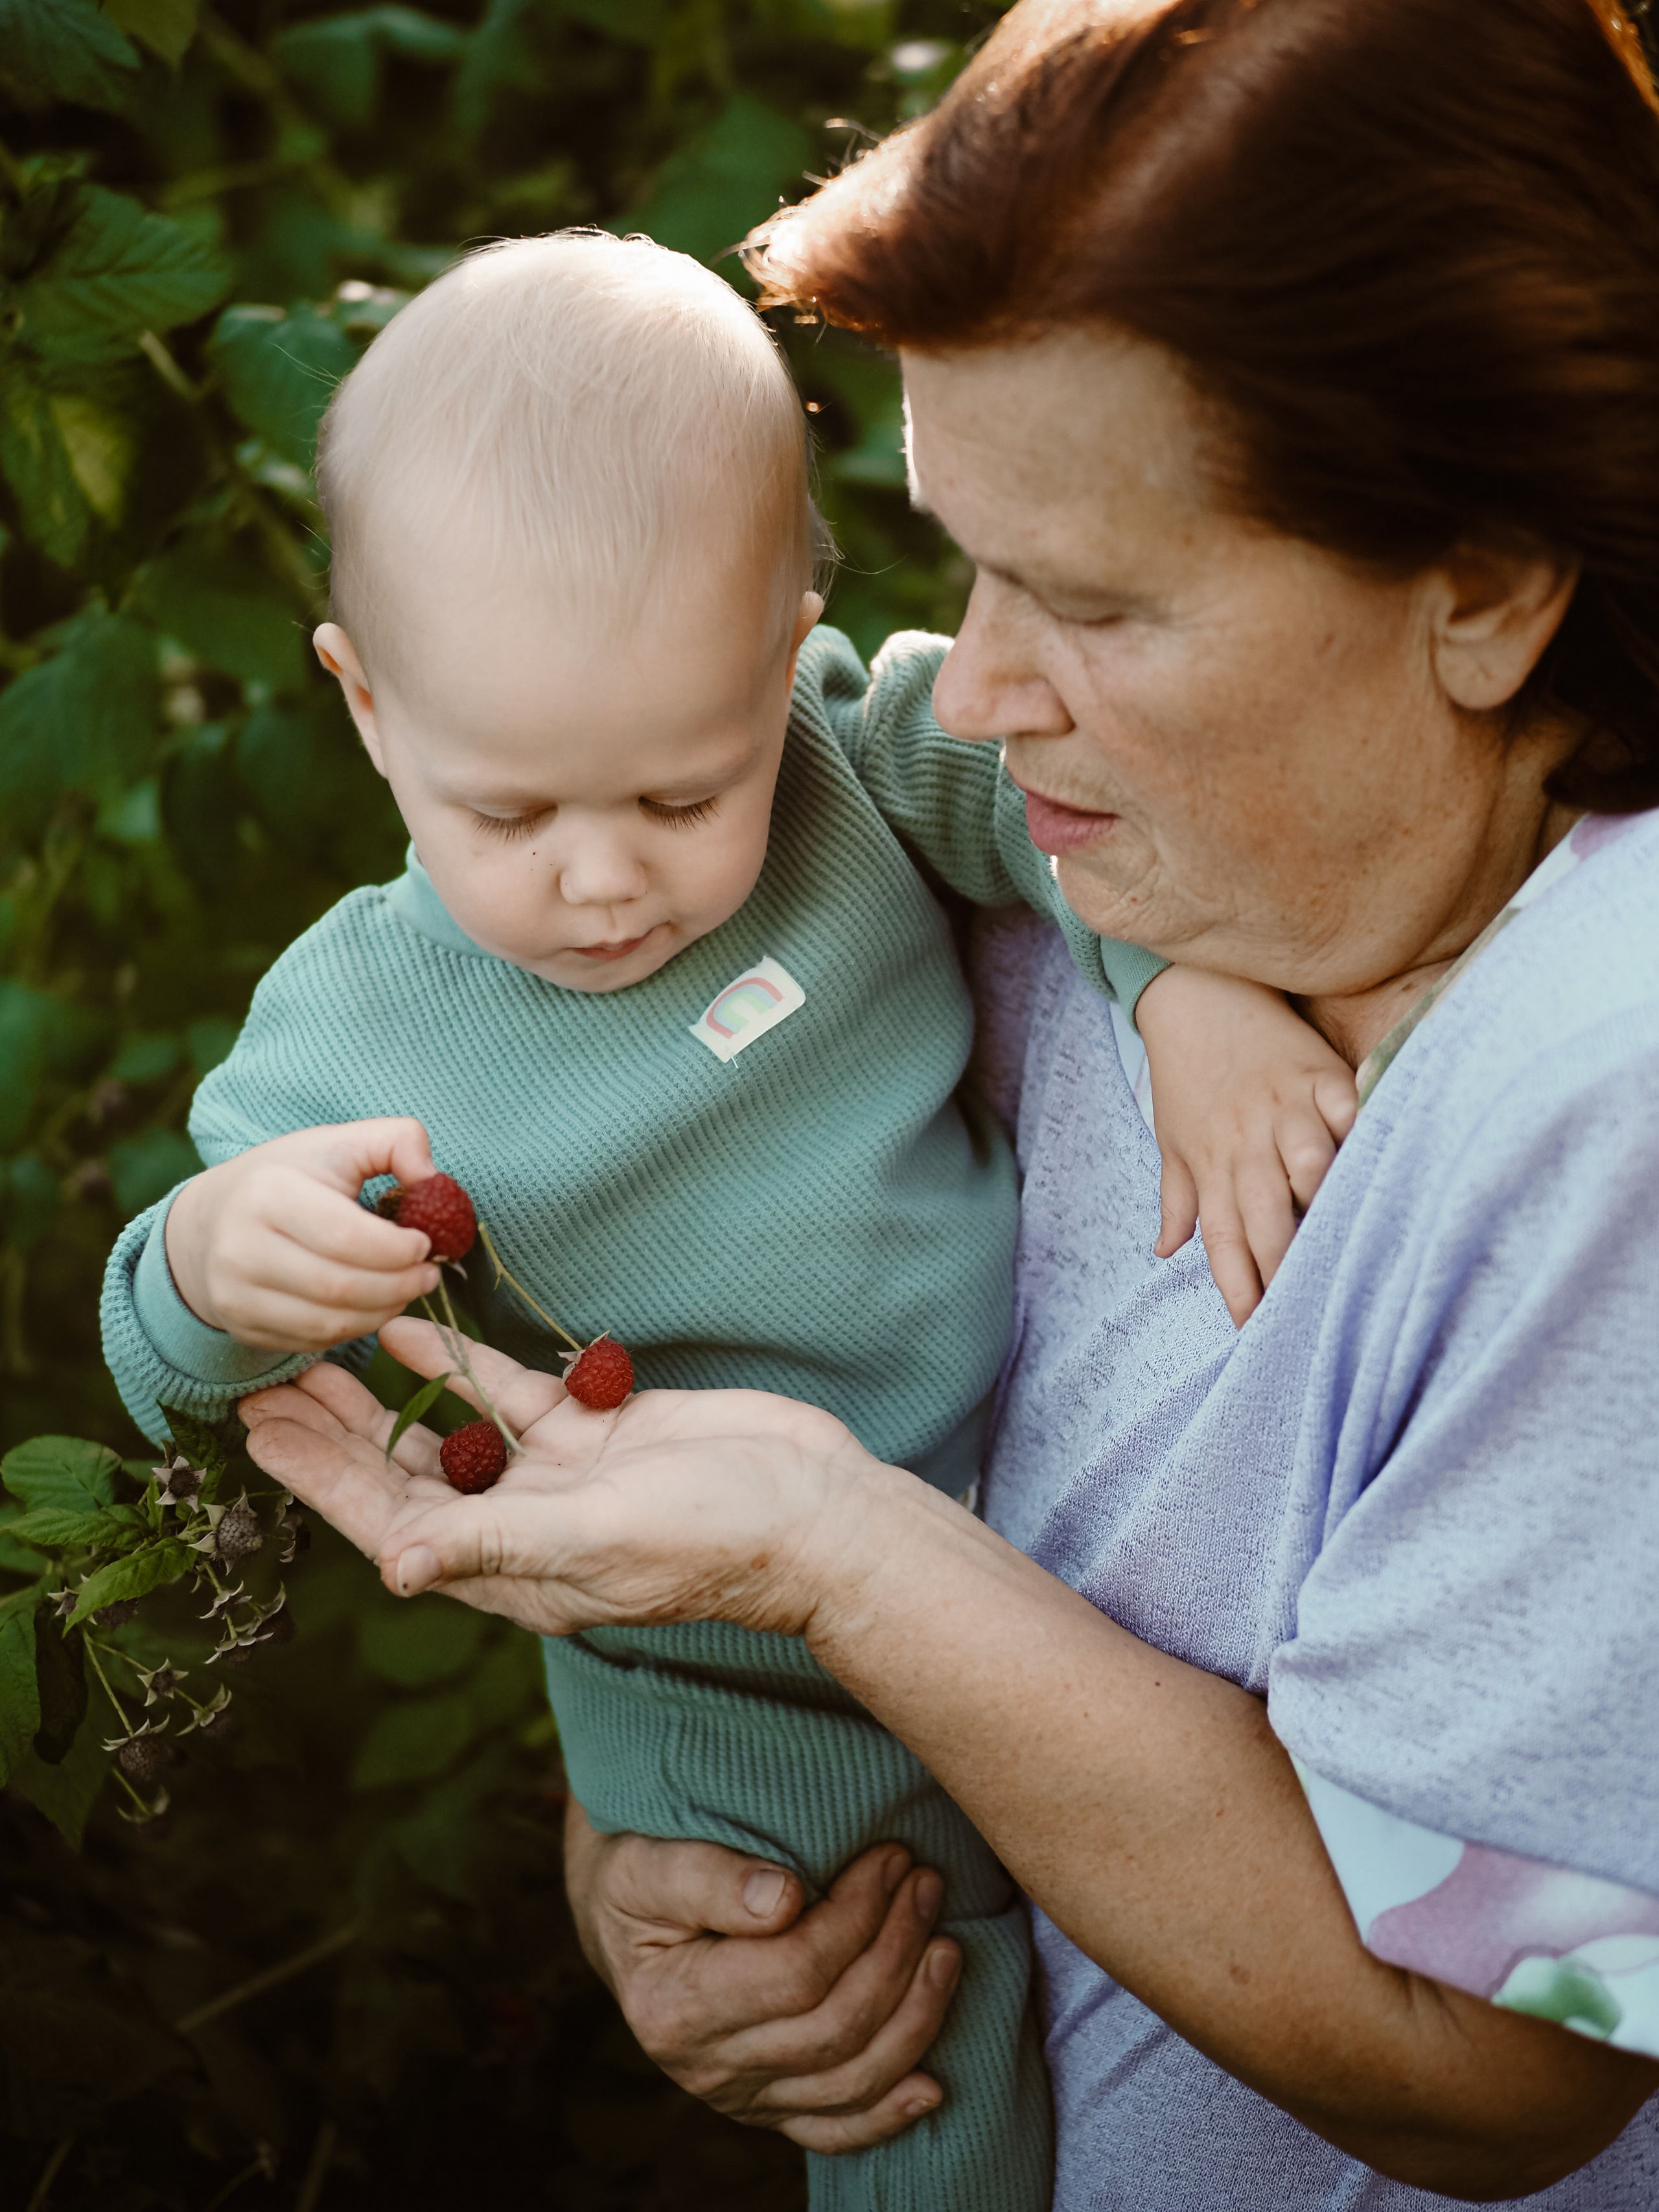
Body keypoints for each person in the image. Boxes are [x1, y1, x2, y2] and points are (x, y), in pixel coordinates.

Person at [238, 0, 1659, 2204]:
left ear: (1482, 584)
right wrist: (684, 1871)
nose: (974, 686)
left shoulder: (1611, 1080)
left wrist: (830, 1556)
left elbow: (1520, 2052)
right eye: (958, 559)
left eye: (1090, 599)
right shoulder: (1048, 853)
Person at [99, 232, 1354, 2212]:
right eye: (510, 816)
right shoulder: (349, 1033)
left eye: (684, 795)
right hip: (728, 1676)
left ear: (783, 654)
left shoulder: (840, 761)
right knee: (894, 2050)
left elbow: (1052, 800)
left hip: (1017, 1545)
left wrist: (1176, 985)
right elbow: (162, 1338)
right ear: (364, 705)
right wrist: (207, 1268)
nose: (607, 881)